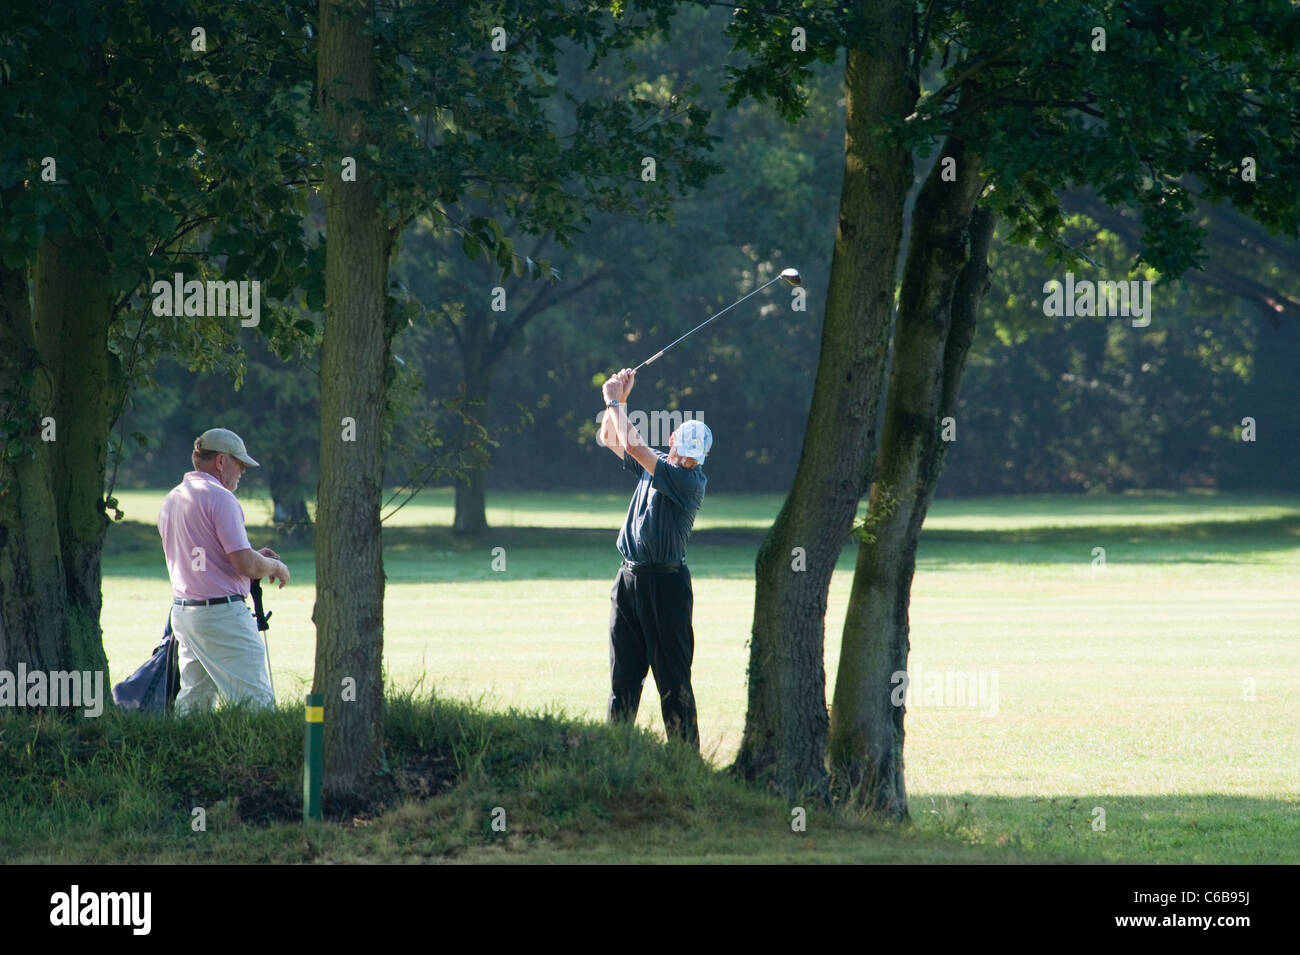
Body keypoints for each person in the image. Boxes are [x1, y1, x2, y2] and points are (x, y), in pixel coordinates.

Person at [599, 368, 712, 750]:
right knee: (623, 677)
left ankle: (685, 761)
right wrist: (618, 402)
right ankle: (615, 753)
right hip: (628, 582)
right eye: (684, 452)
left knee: (673, 680)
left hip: (666, 587)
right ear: (672, 441)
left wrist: (615, 401)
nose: (689, 461)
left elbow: (632, 446)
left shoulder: (686, 481)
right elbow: (611, 438)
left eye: (695, 457)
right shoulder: (658, 465)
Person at [157, 428, 290, 714]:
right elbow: (246, 565)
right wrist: (276, 566)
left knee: (194, 702)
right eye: (239, 463)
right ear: (220, 461)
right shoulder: (221, 498)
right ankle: (263, 757)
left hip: (185, 612)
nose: (242, 470)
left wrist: (254, 555)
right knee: (256, 702)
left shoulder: (173, 499)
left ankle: (192, 755)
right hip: (221, 615)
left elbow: (210, 554)